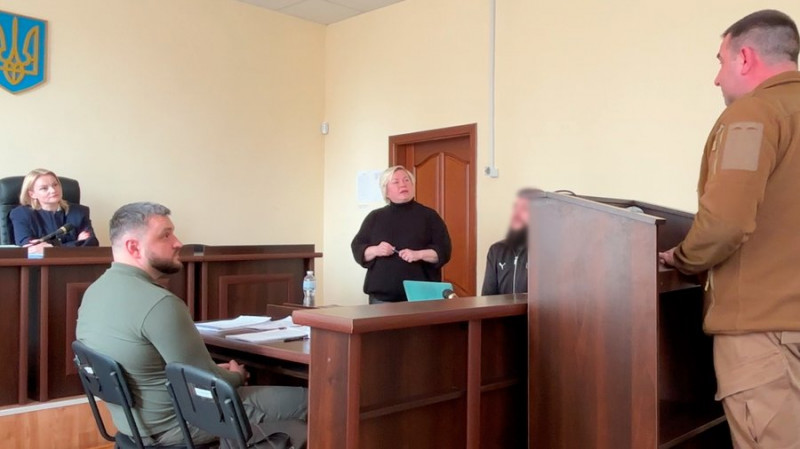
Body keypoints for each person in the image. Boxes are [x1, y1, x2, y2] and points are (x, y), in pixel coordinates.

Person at [659, 10, 800, 448]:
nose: (717, 78)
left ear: (745, 57)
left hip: (766, 335)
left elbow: (725, 222)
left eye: (721, 62)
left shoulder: (754, 115)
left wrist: (683, 257)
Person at [76, 202, 307, 446]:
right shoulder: (159, 303)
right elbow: (209, 383)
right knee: (315, 400)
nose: (178, 243)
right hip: (184, 424)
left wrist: (210, 372)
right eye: (166, 235)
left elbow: (175, 369)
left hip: (133, 425)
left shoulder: (94, 292)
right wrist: (236, 376)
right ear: (134, 247)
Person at [351, 166, 452, 303]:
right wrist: (376, 250)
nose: (403, 185)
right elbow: (358, 249)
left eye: (406, 180)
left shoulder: (429, 216)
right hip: (382, 299)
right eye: (396, 182)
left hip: (422, 297)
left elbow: (444, 252)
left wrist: (418, 254)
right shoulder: (375, 217)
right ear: (386, 191)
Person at [10, 168, 98, 252]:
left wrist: (51, 247)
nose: (53, 190)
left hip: (75, 261)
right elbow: (29, 248)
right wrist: (76, 243)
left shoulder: (79, 212)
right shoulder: (21, 214)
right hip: (39, 262)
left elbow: (91, 244)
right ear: (32, 194)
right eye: (44, 188)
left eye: (55, 185)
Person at [482, 191, 529, 295]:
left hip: (533, 307)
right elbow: (488, 295)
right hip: (502, 306)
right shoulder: (496, 250)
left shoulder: (543, 253)